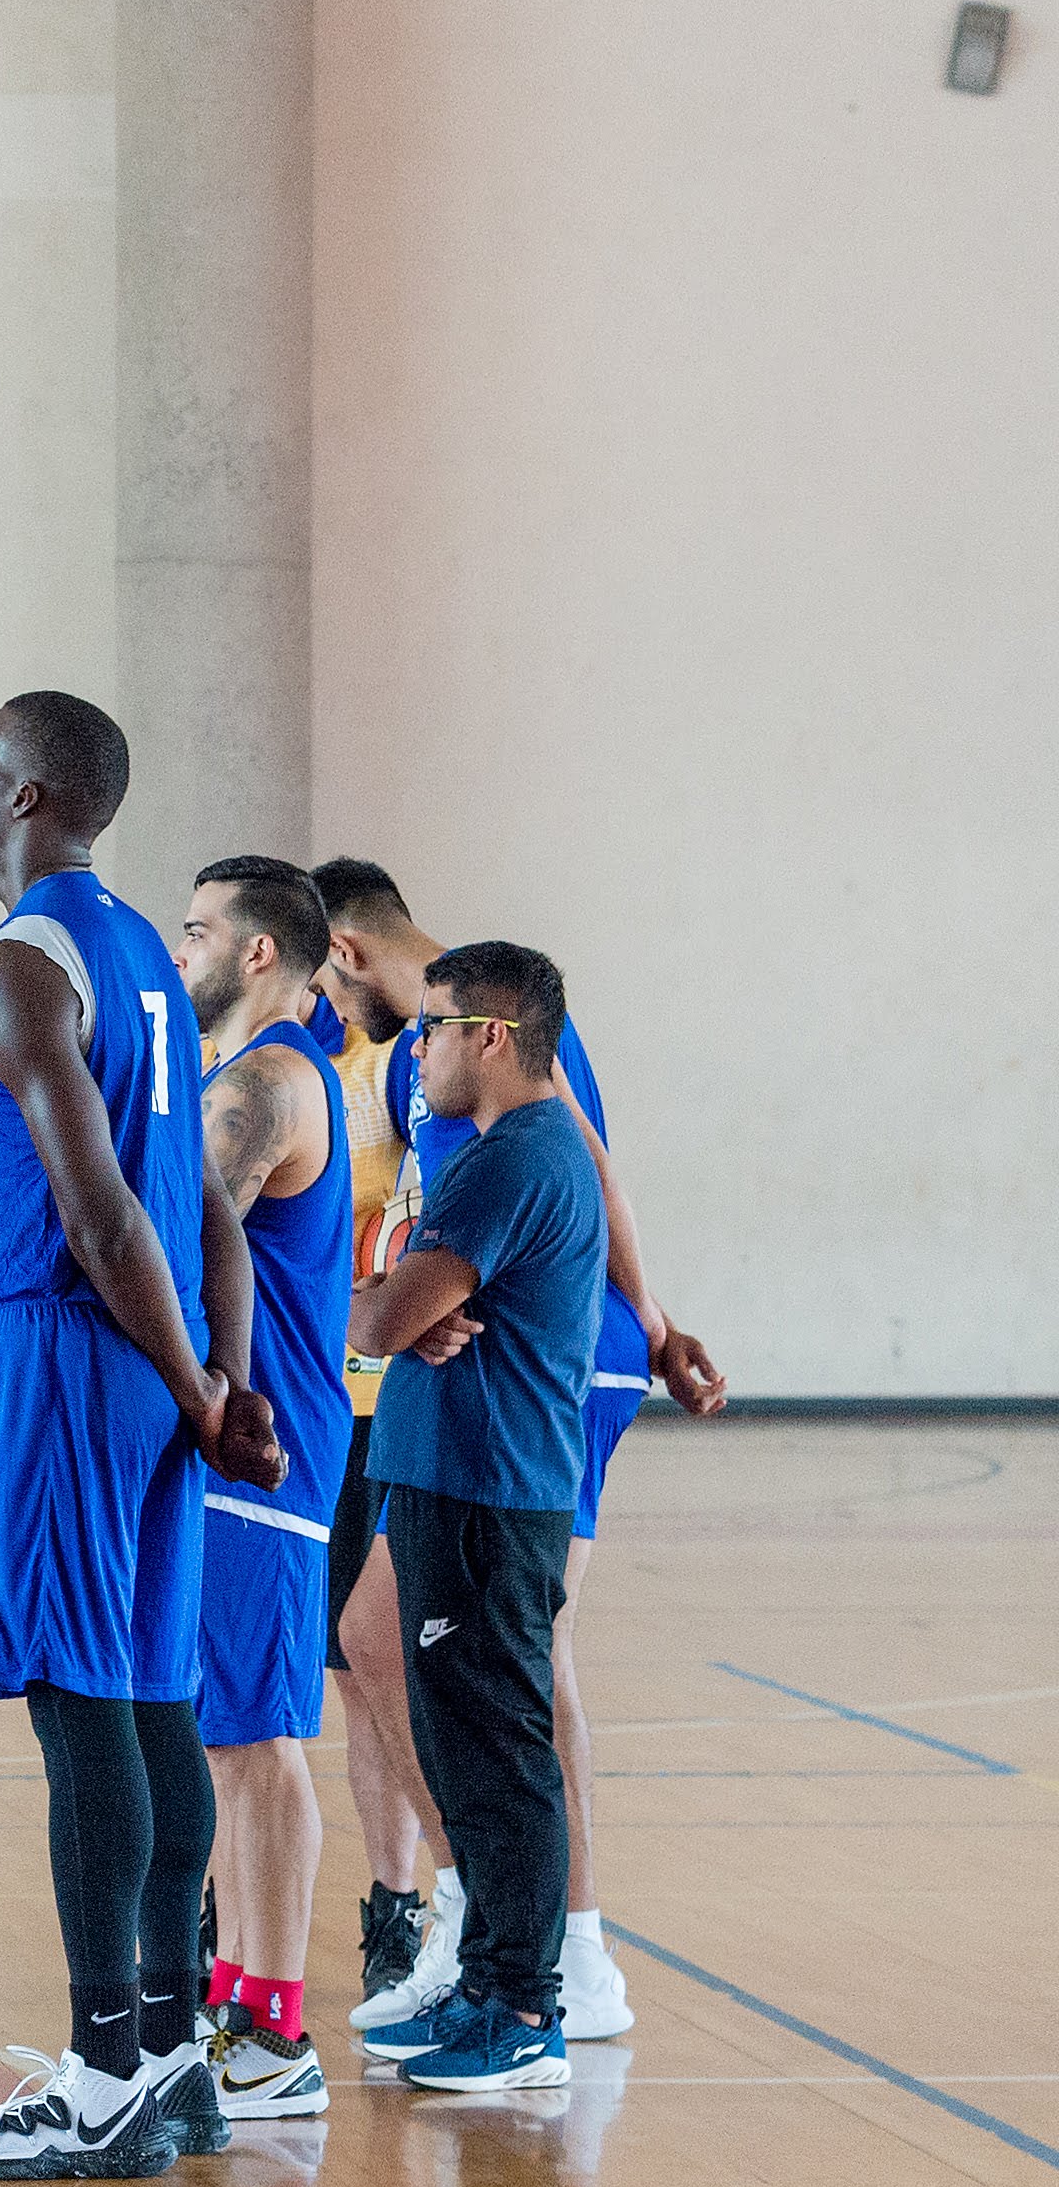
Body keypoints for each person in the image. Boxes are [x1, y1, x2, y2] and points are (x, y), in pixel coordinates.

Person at [0, 691, 282, 2184]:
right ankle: (171, 2061)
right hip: (157, 1358)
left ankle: (100, 2071)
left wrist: (208, 1392)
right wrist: (223, 1376)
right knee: (147, 1703)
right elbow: (206, 1202)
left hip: (80, 1354)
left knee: (86, 1715)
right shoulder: (144, 952)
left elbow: (100, 1209)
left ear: (30, 800)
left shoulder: (20, 965)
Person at [315, 859, 725, 2047]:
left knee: (516, 1658)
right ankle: (477, 1916)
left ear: (344, 951)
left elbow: (595, 1172)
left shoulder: (496, 1061)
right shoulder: (422, 1064)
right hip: (461, 1345)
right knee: (378, 1639)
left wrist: (651, 1328)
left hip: (551, 1346)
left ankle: (565, 1955)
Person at [344, 944, 612, 2094]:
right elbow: (409, 1314)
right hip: (457, 1481)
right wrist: (400, 1312)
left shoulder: (516, 1159)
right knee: (461, 1739)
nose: (421, 1051)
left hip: (494, 1492)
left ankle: (526, 2007)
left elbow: (386, 1317)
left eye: (436, 1028)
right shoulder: (506, 1156)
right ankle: (489, 1979)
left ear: (490, 1037)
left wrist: (379, 1308)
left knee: (500, 1753)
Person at [170, 857, 350, 2121]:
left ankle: (274, 2030)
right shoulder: (229, 1077)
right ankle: (234, 1997)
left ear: (258, 957)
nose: (179, 955)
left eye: (195, 933)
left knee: (257, 1743)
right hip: (229, 1441)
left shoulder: (270, 1082)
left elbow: (180, 1235)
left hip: (261, 1445)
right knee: (222, 1736)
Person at [307, 967, 432, 2008]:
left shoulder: (393, 1070)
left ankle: (412, 1903)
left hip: (374, 1403)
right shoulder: (259, 1061)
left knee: (374, 1659)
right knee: (335, 1671)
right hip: (294, 1402)